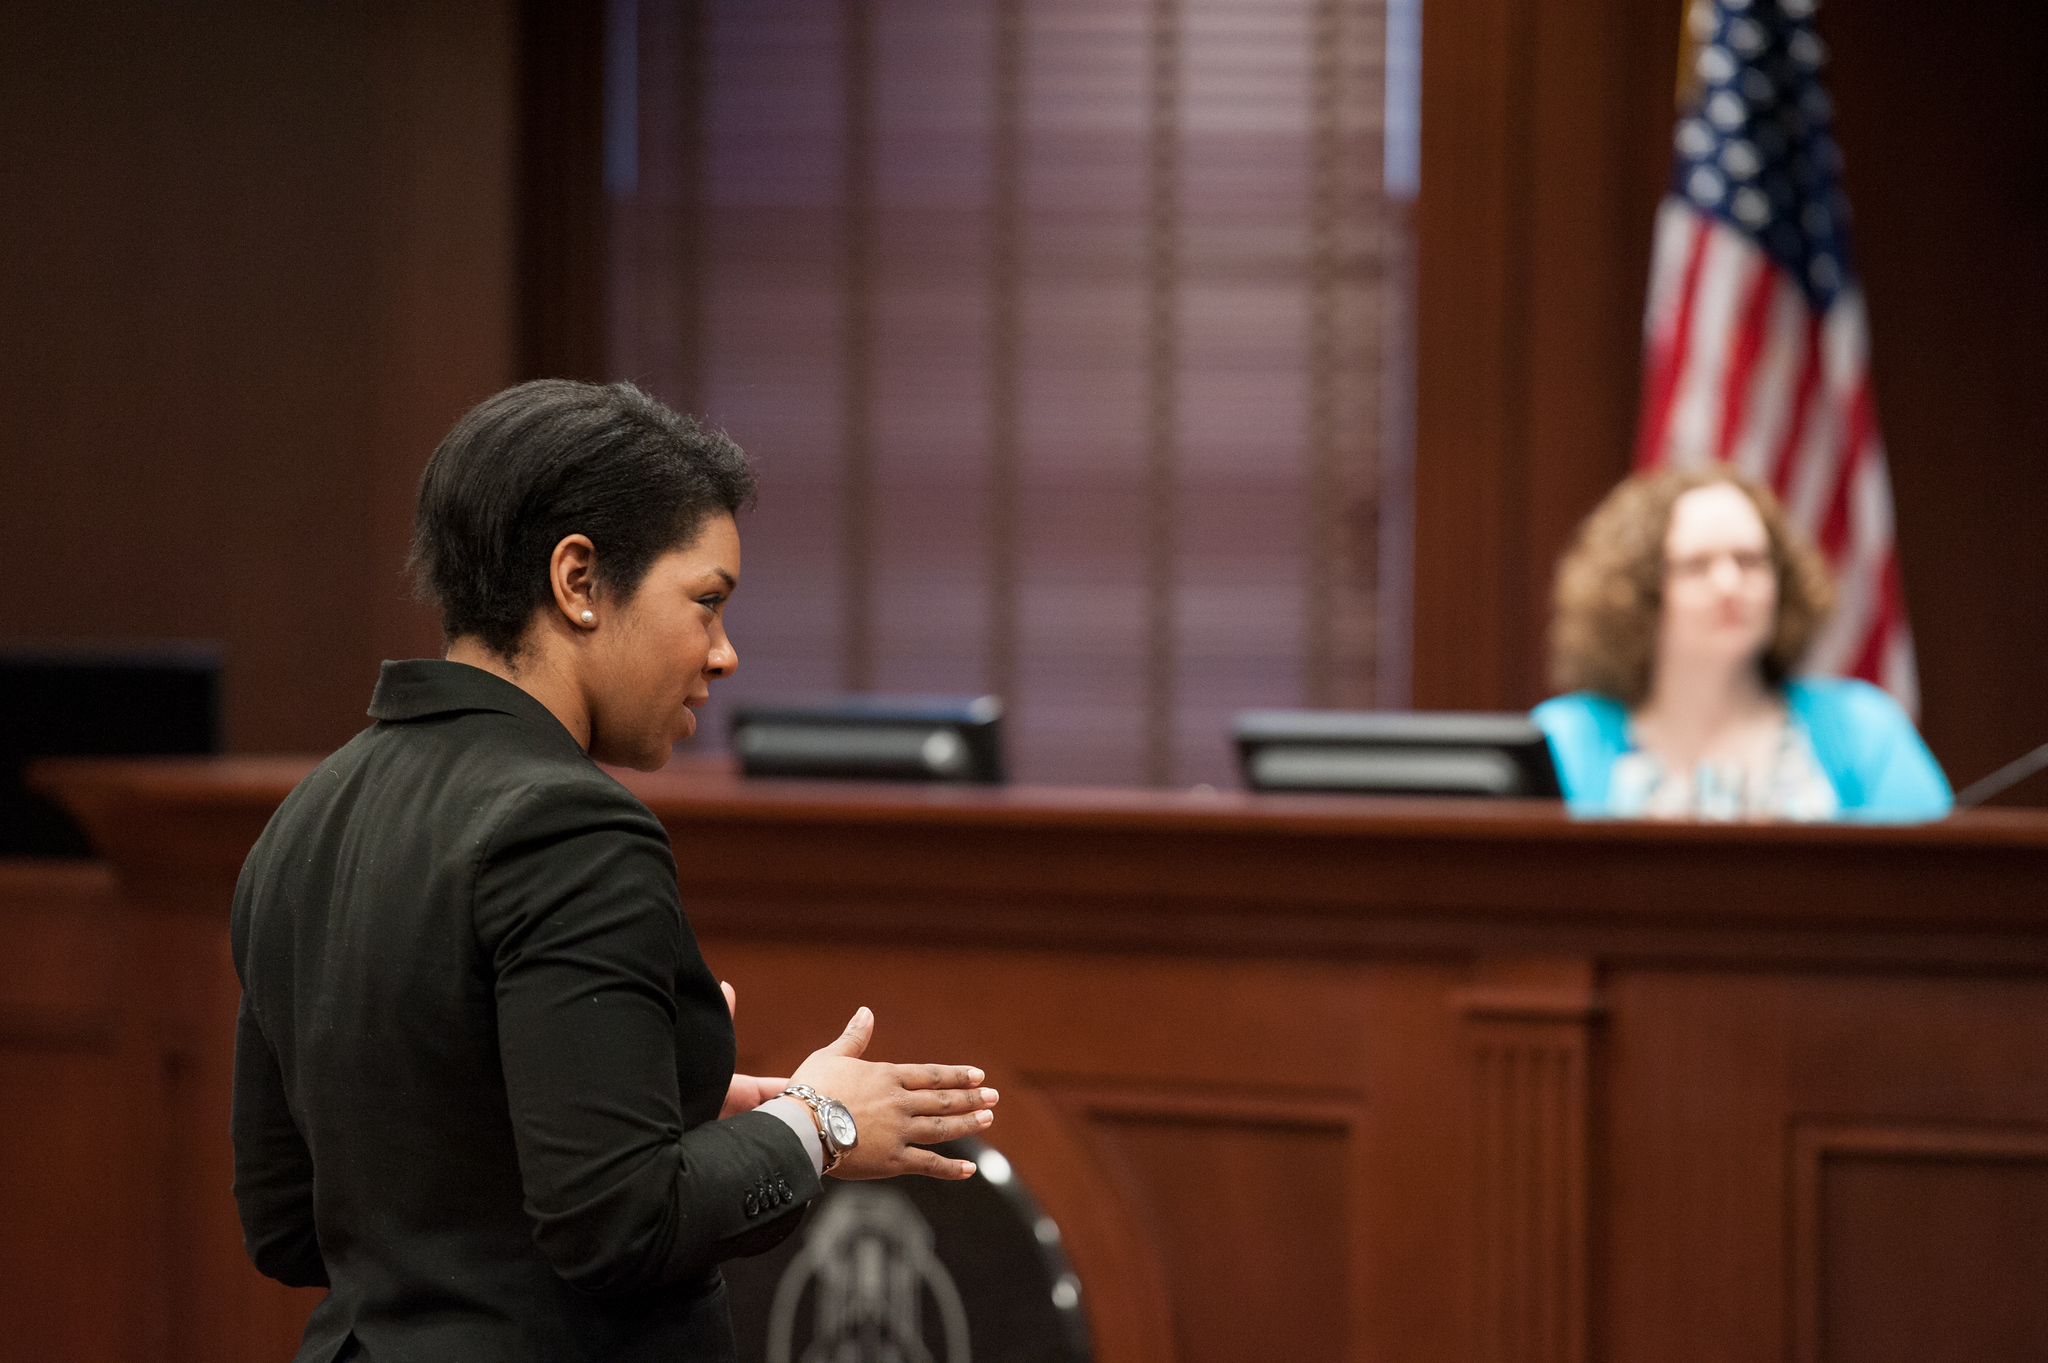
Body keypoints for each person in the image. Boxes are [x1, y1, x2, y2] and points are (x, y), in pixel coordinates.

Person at [230, 380, 1000, 1362]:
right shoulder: (570, 824)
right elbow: (620, 1226)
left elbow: (289, 1222)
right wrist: (821, 1120)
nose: (723, 655)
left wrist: (643, 1100)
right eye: (706, 602)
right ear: (578, 581)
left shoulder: (303, 822)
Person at [1531, 466, 1951, 822]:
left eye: (1750, 562)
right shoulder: (1563, 740)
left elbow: (1937, 889)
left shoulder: (1862, 729)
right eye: (1696, 566)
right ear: (1636, 592)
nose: (1730, 585)